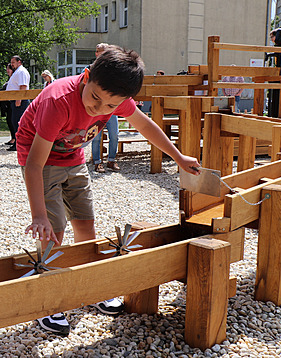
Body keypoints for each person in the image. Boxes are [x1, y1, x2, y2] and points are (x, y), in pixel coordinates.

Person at [16, 46, 200, 336]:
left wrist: (178, 157)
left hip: (73, 157)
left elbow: (144, 125)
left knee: (85, 225)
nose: (99, 109)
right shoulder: (59, 100)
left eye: (110, 107)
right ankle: (47, 301)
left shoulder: (116, 100)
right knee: (54, 229)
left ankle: (93, 288)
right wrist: (38, 215)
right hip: (43, 157)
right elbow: (34, 164)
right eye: (95, 99)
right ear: (87, 77)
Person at [91, 43, 120, 172]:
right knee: (96, 137)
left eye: (102, 51)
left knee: (114, 135)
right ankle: (97, 162)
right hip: (96, 109)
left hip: (111, 108)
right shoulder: (91, 68)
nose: (99, 53)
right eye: (97, 51)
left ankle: (111, 160)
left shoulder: (114, 69)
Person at [6, 55, 31, 151]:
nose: (11, 64)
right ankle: (17, 143)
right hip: (15, 100)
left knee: (18, 123)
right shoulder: (18, 71)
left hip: (19, 100)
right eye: (11, 62)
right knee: (14, 122)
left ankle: (19, 144)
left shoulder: (21, 72)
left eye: (13, 62)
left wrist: (18, 100)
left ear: (19, 62)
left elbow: (23, 86)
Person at [266, 28, 281, 118]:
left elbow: (279, 56)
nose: (271, 39)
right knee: (280, 91)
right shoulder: (278, 46)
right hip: (279, 71)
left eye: (272, 37)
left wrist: (269, 55)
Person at [0, 63, 15, 145]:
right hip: (7, 104)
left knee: (12, 121)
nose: (7, 71)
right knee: (9, 120)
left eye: (9, 69)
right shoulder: (9, 79)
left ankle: (14, 138)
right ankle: (13, 137)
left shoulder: (13, 79)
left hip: (12, 102)